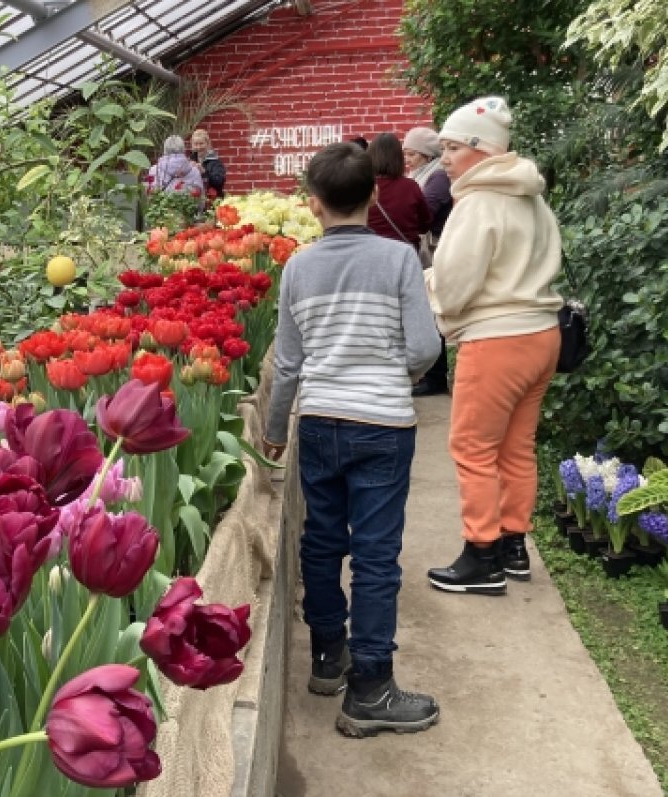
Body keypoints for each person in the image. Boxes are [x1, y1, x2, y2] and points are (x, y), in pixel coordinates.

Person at [262, 142, 441, 737]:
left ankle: (325, 657)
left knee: (321, 543)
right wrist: (394, 375)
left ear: (313, 204)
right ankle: (370, 689)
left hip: (317, 423)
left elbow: (287, 363)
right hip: (383, 427)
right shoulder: (397, 261)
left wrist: (273, 431)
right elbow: (423, 348)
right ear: (373, 194)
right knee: (374, 557)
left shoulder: (297, 267)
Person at [424, 97, 564, 596]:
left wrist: (433, 292)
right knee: (516, 447)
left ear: (481, 150)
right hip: (542, 332)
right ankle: (512, 546)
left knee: (472, 447)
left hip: (497, 337)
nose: (444, 157)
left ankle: (481, 557)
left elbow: (456, 283)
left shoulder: (479, 200)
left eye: (453, 147)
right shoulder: (531, 197)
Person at [403, 126, 453, 396]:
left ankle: (435, 377)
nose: (407, 160)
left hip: (437, 251)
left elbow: (427, 210)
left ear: (426, 154)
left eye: (412, 154)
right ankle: (431, 375)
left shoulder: (437, 178)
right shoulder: (421, 175)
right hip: (429, 249)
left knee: (434, 311)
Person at [366, 133, 431, 250]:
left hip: (371, 251)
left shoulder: (362, 187)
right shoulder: (410, 187)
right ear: (399, 157)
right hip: (405, 252)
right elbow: (424, 225)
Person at [146, 135, 205, 200]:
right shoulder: (194, 171)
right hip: (187, 209)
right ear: (183, 149)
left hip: (160, 209)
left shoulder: (154, 170)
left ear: (165, 149)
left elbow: (150, 197)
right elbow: (200, 200)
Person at [189, 128, 227, 199]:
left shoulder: (215, 162)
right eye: (196, 144)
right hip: (193, 202)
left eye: (201, 144)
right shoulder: (190, 161)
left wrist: (204, 172)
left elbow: (219, 182)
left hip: (212, 202)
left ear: (208, 144)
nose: (198, 147)